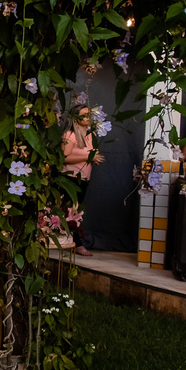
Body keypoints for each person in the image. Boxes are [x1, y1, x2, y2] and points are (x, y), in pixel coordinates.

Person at [61, 103, 103, 257]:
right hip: (70, 178)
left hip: (84, 179)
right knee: (71, 212)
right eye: (84, 115)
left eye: (88, 114)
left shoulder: (92, 136)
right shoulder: (69, 135)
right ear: (75, 118)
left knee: (75, 212)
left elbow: (93, 153)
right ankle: (77, 244)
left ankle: (72, 242)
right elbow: (64, 158)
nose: (88, 118)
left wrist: (95, 158)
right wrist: (88, 156)